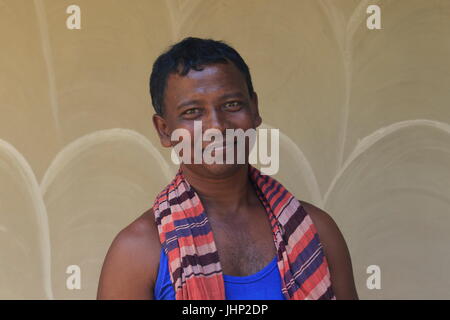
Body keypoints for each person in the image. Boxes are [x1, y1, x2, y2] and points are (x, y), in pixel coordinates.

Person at [97, 37, 358, 300]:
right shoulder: (137, 251)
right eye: (192, 112)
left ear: (254, 109)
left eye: (231, 105)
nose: (217, 126)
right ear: (165, 130)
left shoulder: (315, 232)